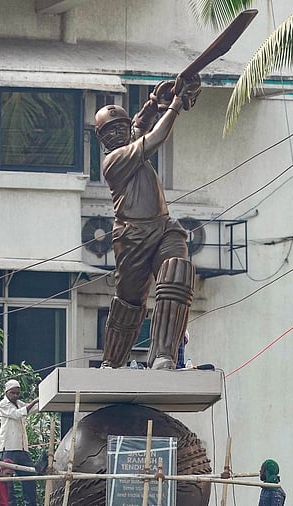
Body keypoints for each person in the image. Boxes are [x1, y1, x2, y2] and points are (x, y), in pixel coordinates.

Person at [94, 74, 202, 370]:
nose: (117, 134)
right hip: (132, 237)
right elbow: (153, 138)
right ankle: (112, 362)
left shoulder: (130, 140)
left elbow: (139, 125)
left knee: (176, 272)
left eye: (120, 127)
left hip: (163, 226)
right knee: (130, 303)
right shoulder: (114, 161)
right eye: (109, 131)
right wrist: (176, 104)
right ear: (102, 139)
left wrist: (155, 101)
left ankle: (164, 355)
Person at [0, 379, 39, 506]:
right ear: (6, 392)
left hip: (21, 448)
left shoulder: (19, 403)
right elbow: (17, 414)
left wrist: (42, 399)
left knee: (30, 476)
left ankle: (30, 503)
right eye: (13, 393)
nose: (15, 396)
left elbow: (31, 410)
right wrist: (35, 401)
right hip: (8, 447)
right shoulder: (3, 404)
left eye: (17, 393)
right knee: (8, 482)